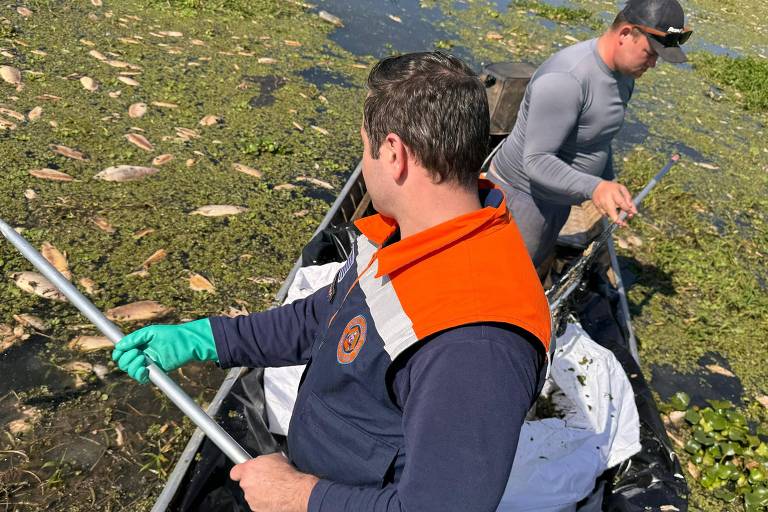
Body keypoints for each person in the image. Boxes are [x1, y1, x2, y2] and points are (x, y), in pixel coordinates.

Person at [112, 52, 552, 512]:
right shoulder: (419, 236)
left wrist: (298, 496)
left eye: (365, 147)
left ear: (395, 154)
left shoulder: (476, 344)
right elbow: (329, 314)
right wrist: (207, 337)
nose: (364, 163)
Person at [488, 0, 692, 270]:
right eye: (650, 52)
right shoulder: (566, 80)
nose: (654, 64)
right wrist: (595, 187)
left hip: (558, 197)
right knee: (507, 277)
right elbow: (536, 161)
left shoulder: (625, 74)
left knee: (533, 267)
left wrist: (609, 182)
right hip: (524, 201)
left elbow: (598, 140)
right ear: (625, 34)